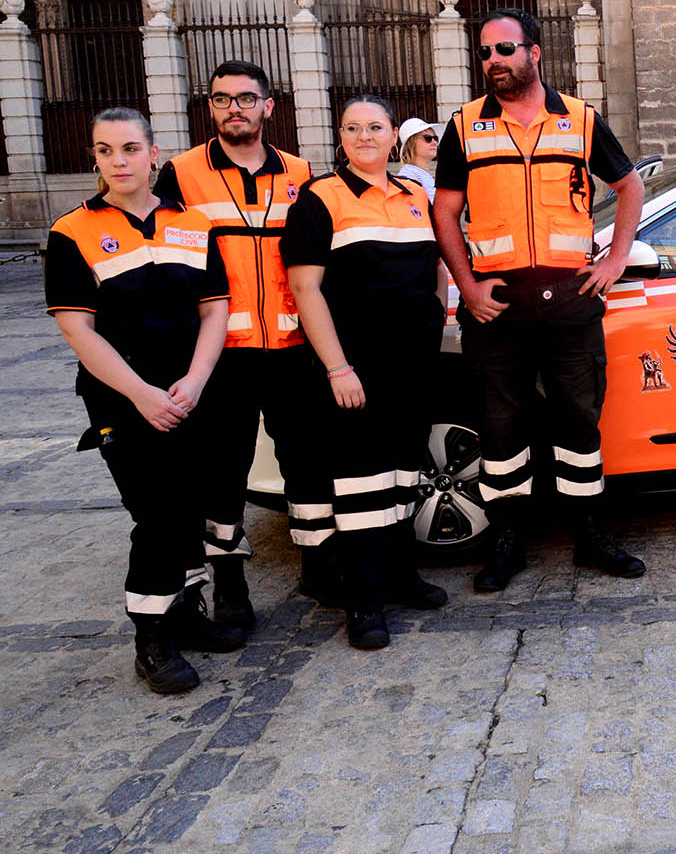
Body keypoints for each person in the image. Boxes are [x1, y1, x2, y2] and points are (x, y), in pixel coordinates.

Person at [433, 7, 647, 590]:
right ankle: (507, 543)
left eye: (505, 50)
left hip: (570, 302)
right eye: (485, 53)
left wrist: (616, 257)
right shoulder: (464, 126)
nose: (493, 62)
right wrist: (466, 285)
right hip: (498, 306)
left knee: (580, 421)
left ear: (535, 53)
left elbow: (630, 185)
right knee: (500, 431)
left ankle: (589, 536)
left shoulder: (579, 120)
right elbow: (445, 211)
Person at [46, 109, 244, 692]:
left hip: (190, 391)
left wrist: (198, 379)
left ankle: (184, 614)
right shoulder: (72, 231)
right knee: (158, 514)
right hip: (124, 400)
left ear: (153, 154)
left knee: (193, 507)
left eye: (130, 148)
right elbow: (80, 331)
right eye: (105, 151)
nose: (119, 161)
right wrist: (141, 394)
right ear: (96, 158)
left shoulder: (192, 223)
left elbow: (214, 309)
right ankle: (151, 639)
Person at [155, 61, 326, 627]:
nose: (235, 108)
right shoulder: (180, 175)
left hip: (292, 347)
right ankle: (230, 584)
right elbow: (163, 264)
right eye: (223, 98)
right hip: (221, 354)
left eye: (247, 99)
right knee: (221, 472)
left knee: (306, 461)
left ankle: (320, 567)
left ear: (268, 107)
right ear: (210, 107)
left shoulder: (300, 171)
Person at [283, 97, 449, 649]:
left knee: (405, 473)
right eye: (353, 128)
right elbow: (305, 290)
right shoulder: (320, 197)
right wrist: (337, 367)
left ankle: (402, 576)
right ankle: (364, 601)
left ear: (394, 134)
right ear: (341, 137)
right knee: (360, 484)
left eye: (375, 127)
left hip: (413, 364)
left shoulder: (411, 195)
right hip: (355, 367)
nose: (365, 137)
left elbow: (436, 270)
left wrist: (432, 325)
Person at [395, 117, 440, 199]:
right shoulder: (408, 176)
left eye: (435, 138)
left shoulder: (418, 174)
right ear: (412, 143)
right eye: (428, 138)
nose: (434, 142)